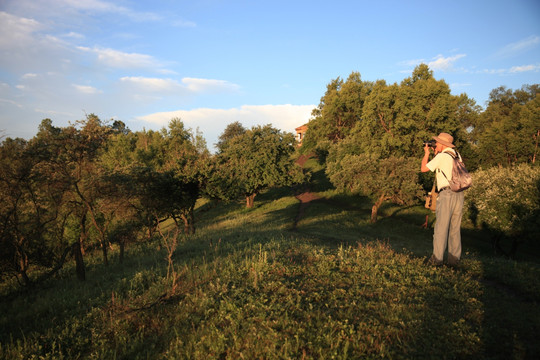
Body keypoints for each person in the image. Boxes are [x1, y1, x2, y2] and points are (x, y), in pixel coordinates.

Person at [421, 132, 464, 267]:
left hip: (447, 194)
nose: (435, 144)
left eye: (437, 142)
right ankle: (454, 261)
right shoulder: (456, 155)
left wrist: (427, 153)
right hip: (459, 194)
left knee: (441, 228)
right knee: (455, 229)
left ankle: (437, 260)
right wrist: (436, 153)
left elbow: (424, 169)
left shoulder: (442, 156)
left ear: (442, 144)